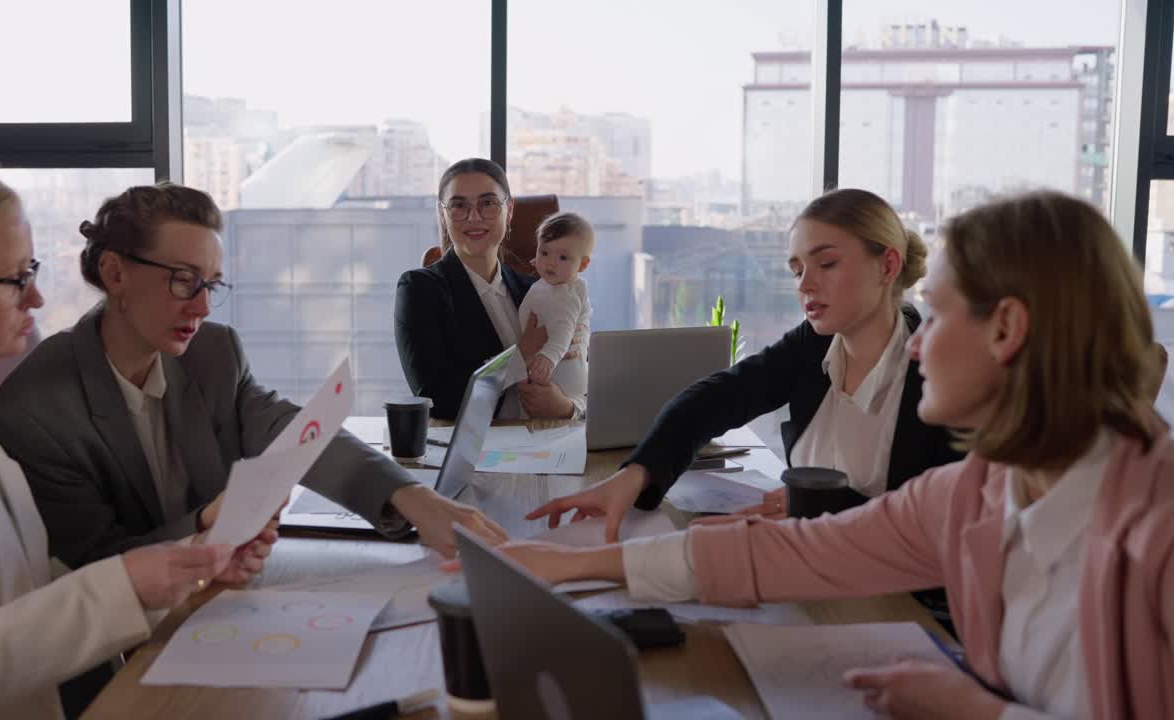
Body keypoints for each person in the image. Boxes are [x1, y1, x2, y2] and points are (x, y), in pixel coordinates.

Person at [465, 191, 1173, 719]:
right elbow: (790, 555)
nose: (921, 337)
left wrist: (981, 714)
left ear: (1007, 329)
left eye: (942, 309)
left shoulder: (1158, 529)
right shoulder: (976, 492)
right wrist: (571, 564)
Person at [0, 183, 506, 577]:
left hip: (217, 601)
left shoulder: (211, 352)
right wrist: (205, 534)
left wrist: (416, 501)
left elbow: (294, 434)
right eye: (184, 279)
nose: (204, 304)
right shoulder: (36, 412)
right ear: (115, 273)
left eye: (211, 283)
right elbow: (91, 570)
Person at [0, 159, 258, 720]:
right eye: (15, 279)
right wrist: (126, 587)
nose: (37, 300)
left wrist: (187, 564)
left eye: (32, 271)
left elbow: (20, 587)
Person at [530, 188, 962, 542]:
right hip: (802, 562)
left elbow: (943, 523)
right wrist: (637, 475)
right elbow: (716, 397)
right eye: (797, 270)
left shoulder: (940, 378)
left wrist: (817, 507)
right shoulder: (814, 346)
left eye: (827, 263)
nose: (806, 284)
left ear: (888, 264)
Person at [395, 158, 583, 421]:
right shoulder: (421, 290)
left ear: (510, 209)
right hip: (481, 455)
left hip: (548, 444)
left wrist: (565, 408)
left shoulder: (540, 291)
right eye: (458, 205)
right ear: (442, 214)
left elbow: (580, 381)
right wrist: (521, 355)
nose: (474, 217)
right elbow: (436, 398)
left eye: (487, 203)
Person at [518, 212, 592, 408]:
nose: (551, 262)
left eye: (563, 257)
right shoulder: (548, 285)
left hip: (560, 379)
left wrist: (548, 355)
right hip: (555, 376)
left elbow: (564, 331)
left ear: (583, 264)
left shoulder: (565, 294)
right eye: (544, 253)